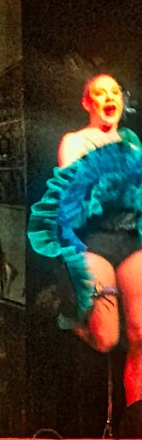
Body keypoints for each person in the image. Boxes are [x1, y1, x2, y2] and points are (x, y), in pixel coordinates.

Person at [28, 74, 142, 421]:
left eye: (114, 92)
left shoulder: (133, 144)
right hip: (94, 240)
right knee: (107, 339)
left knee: (140, 335)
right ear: (87, 103)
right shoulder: (75, 141)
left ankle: (135, 423)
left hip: (130, 239)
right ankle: (69, 318)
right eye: (100, 93)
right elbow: (79, 190)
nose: (109, 98)